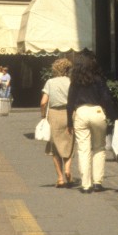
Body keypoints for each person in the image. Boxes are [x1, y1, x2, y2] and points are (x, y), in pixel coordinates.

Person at [66, 52, 118, 193]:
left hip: (80, 112)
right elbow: (107, 99)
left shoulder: (75, 81)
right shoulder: (98, 79)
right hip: (97, 112)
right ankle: (97, 182)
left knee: (83, 149)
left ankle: (86, 185)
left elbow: (70, 102)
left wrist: (69, 123)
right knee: (99, 148)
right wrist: (115, 117)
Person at [38, 57, 74, 188]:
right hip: (70, 114)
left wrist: (43, 115)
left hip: (54, 114)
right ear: (68, 69)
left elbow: (43, 102)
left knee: (55, 148)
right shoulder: (71, 82)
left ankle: (60, 178)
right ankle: (68, 169)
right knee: (70, 143)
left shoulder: (50, 82)